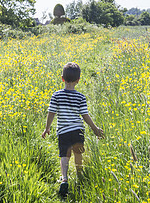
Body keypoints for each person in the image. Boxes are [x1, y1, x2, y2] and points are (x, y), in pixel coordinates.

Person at [42, 62, 104, 196]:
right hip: (78, 131)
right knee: (78, 154)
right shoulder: (80, 97)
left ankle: (64, 178)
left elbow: (51, 113)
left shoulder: (56, 95)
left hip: (63, 132)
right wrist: (95, 128)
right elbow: (85, 115)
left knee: (64, 155)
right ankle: (79, 174)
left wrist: (47, 128)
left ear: (62, 78)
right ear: (78, 80)